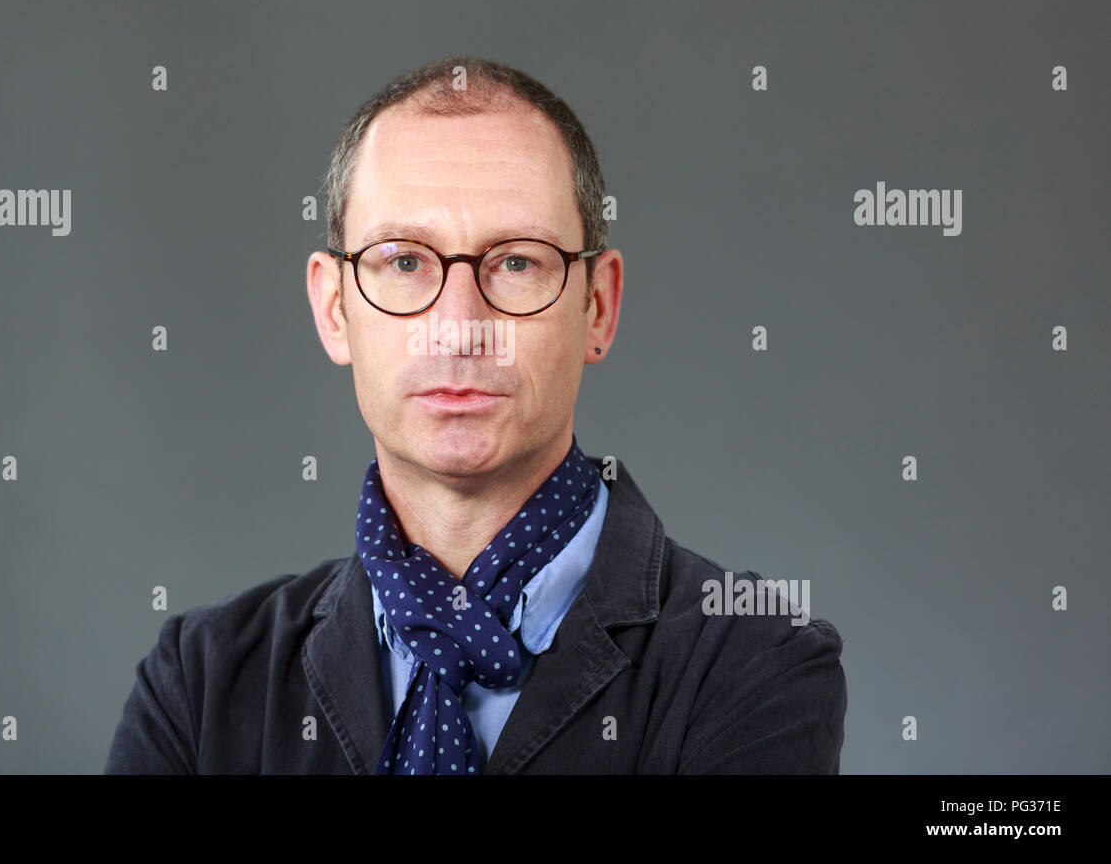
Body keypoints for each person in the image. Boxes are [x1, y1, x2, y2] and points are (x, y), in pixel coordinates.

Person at [103, 54, 846, 774]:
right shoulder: (198, 684)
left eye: (517, 262)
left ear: (598, 306)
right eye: (403, 261)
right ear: (334, 310)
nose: (459, 326)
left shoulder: (759, 660)